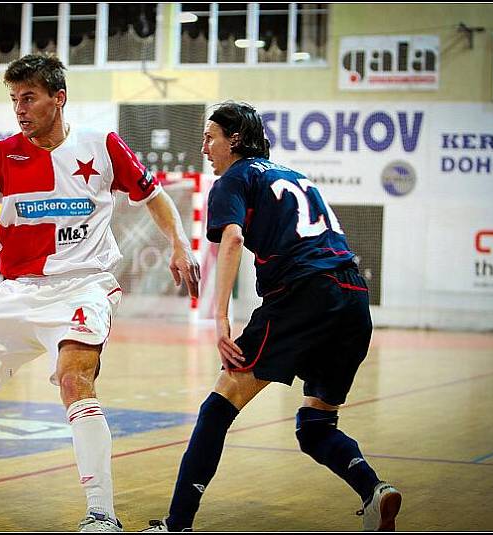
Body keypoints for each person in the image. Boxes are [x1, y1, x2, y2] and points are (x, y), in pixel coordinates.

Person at [0, 53, 200, 533]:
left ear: (58, 98)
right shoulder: (0, 155)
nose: (20, 108)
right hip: (18, 289)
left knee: (73, 379)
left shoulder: (101, 145)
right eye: (14, 99)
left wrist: (180, 245)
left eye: (30, 97)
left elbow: (154, 196)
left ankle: (102, 513)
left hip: (86, 284)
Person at [144, 102, 401, 532]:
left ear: (236, 140)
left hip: (304, 294)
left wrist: (220, 316)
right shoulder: (294, 175)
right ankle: (374, 489)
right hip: (354, 297)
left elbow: (231, 239)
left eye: (211, 137)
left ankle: (177, 525)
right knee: (315, 425)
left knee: (218, 406)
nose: (204, 147)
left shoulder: (233, 179)